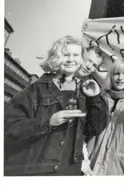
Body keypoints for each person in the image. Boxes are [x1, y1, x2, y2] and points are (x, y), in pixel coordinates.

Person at [4, 36, 108, 176]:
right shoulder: (37, 88)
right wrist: (48, 122)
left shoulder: (86, 92)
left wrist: (95, 98)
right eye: (66, 55)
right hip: (36, 171)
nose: (71, 59)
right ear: (57, 57)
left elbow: (94, 128)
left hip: (68, 172)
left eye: (76, 55)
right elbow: (9, 127)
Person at [86, 58, 124, 176]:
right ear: (110, 76)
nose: (120, 78)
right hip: (91, 162)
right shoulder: (100, 97)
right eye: (116, 73)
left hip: (116, 167)